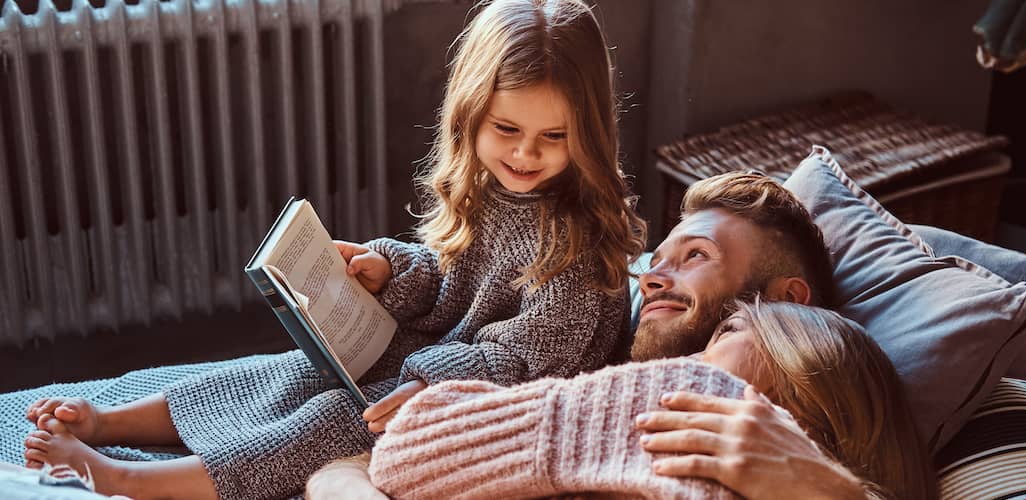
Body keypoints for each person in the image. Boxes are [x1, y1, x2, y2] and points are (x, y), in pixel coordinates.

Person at [21, 0, 646, 498]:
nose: (525, 154)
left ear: (587, 132)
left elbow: (526, 353)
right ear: (469, 117)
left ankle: (126, 480)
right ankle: (111, 423)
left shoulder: (578, 245)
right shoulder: (491, 192)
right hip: (436, 358)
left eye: (554, 137)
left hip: (493, 397)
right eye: (506, 130)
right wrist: (389, 269)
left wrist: (431, 380)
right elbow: (448, 272)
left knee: (328, 426)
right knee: (291, 374)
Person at [306, 171, 936, 499]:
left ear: (783, 303)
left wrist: (823, 490)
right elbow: (353, 467)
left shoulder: (816, 413)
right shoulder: (583, 356)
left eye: (694, 256)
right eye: (655, 260)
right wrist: (343, 486)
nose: (653, 278)